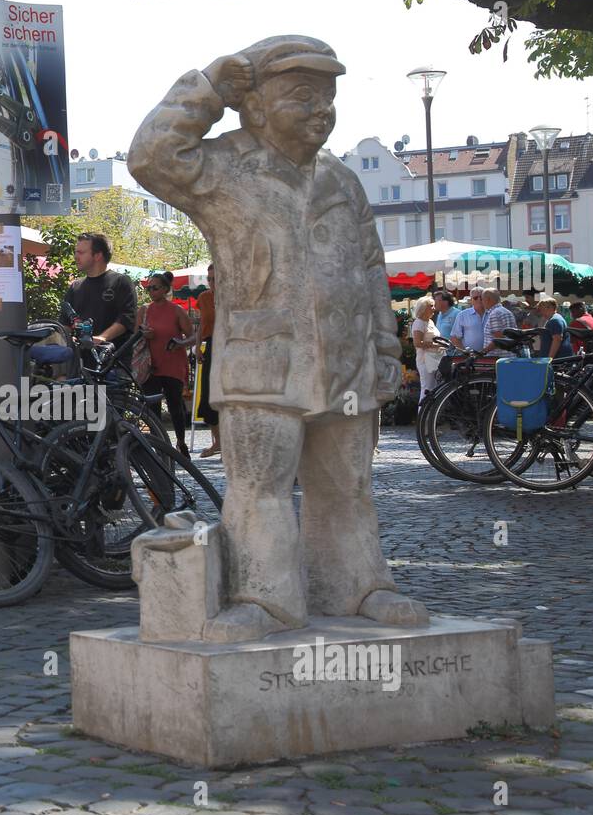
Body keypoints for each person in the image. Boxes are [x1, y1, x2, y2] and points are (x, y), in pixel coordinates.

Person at [129, 34, 425, 633]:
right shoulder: (222, 167)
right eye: (302, 95)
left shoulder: (342, 180)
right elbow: (150, 156)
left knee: (348, 486)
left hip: (343, 364)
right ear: (257, 104)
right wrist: (209, 88)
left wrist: (387, 349)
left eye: (328, 96)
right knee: (258, 487)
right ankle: (265, 599)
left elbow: (370, 270)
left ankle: (359, 586)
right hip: (262, 363)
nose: (321, 109)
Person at [140, 271, 198, 458]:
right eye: (149, 288)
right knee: (153, 407)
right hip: (151, 364)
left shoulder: (176, 311)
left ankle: (180, 441)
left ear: (165, 289)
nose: (151, 291)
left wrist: (180, 343)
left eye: (155, 288)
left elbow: (193, 336)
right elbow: (135, 336)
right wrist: (143, 334)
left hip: (173, 363)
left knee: (175, 405)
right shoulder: (144, 309)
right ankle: (160, 445)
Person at [64, 232, 137, 346]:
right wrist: (66, 338)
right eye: (75, 252)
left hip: (112, 358)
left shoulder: (120, 282)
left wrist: (102, 338)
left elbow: (126, 319)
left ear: (98, 255)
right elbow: (65, 322)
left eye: (81, 252)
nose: (76, 256)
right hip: (80, 359)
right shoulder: (75, 286)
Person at [195, 264, 220, 456]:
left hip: (230, 345)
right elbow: (202, 323)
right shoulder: (204, 297)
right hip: (211, 344)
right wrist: (197, 346)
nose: (212, 282)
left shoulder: (233, 296)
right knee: (209, 394)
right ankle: (217, 442)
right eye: (209, 278)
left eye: (215, 278)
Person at [409, 295, 443, 403]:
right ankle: (423, 416)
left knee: (433, 388)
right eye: (431, 306)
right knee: (427, 389)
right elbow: (417, 343)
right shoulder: (419, 323)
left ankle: (430, 415)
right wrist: (436, 345)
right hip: (425, 361)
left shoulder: (430, 322)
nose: (434, 308)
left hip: (434, 359)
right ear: (423, 309)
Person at [535, 293, 574, 359]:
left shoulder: (555, 320)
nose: (541, 312)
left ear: (550, 308)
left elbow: (557, 339)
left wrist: (550, 359)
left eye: (542, 309)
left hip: (558, 358)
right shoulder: (556, 319)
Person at [450, 286, 488, 352]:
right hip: (470, 357)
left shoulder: (492, 313)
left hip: (491, 356)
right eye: (475, 298)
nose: (479, 300)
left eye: (481, 297)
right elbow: (455, 337)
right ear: (471, 300)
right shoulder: (463, 315)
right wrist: (464, 352)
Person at [482, 289, 518, 354]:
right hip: (509, 355)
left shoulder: (495, 314)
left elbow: (498, 339)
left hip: (497, 357)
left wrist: (484, 351)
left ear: (488, 299)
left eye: (482, 299)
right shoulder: (506, 311)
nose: (482, 302)